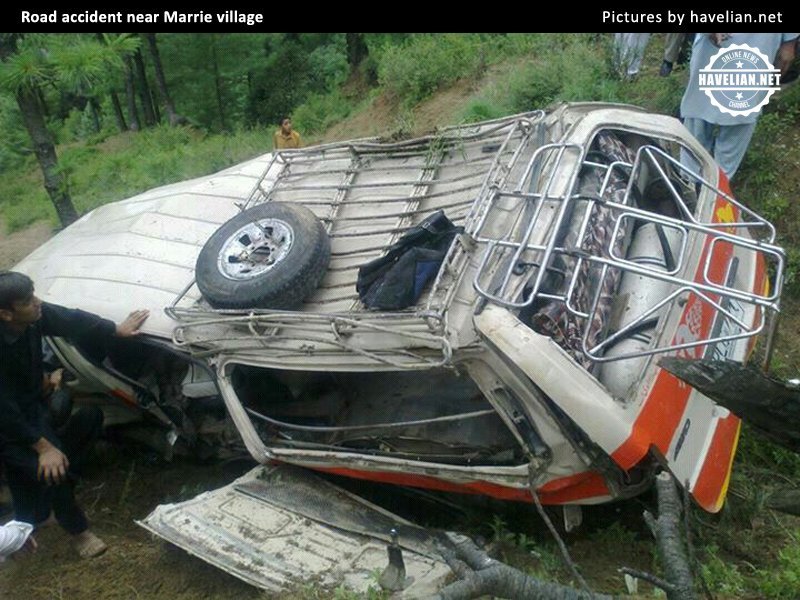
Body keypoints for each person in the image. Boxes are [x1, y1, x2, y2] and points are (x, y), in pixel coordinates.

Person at [0, 271, 149, 559]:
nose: (38, 302)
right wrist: (44, 447)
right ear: (5, 314)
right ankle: (80, 533)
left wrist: (114, 330)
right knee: (52, 470)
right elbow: (4, 411)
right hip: (7, 423)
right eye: (28, 301)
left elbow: (70, 319)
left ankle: (33, 517)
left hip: (29, 405)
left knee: (87, 419)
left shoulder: (32, 318)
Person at [680, 33, 798, 179]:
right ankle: (686, 184)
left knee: (741, 118)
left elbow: (787, 50)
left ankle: (719, 189)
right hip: (713, 48)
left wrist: (790, 41)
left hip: (759, 47)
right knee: (698, 117)